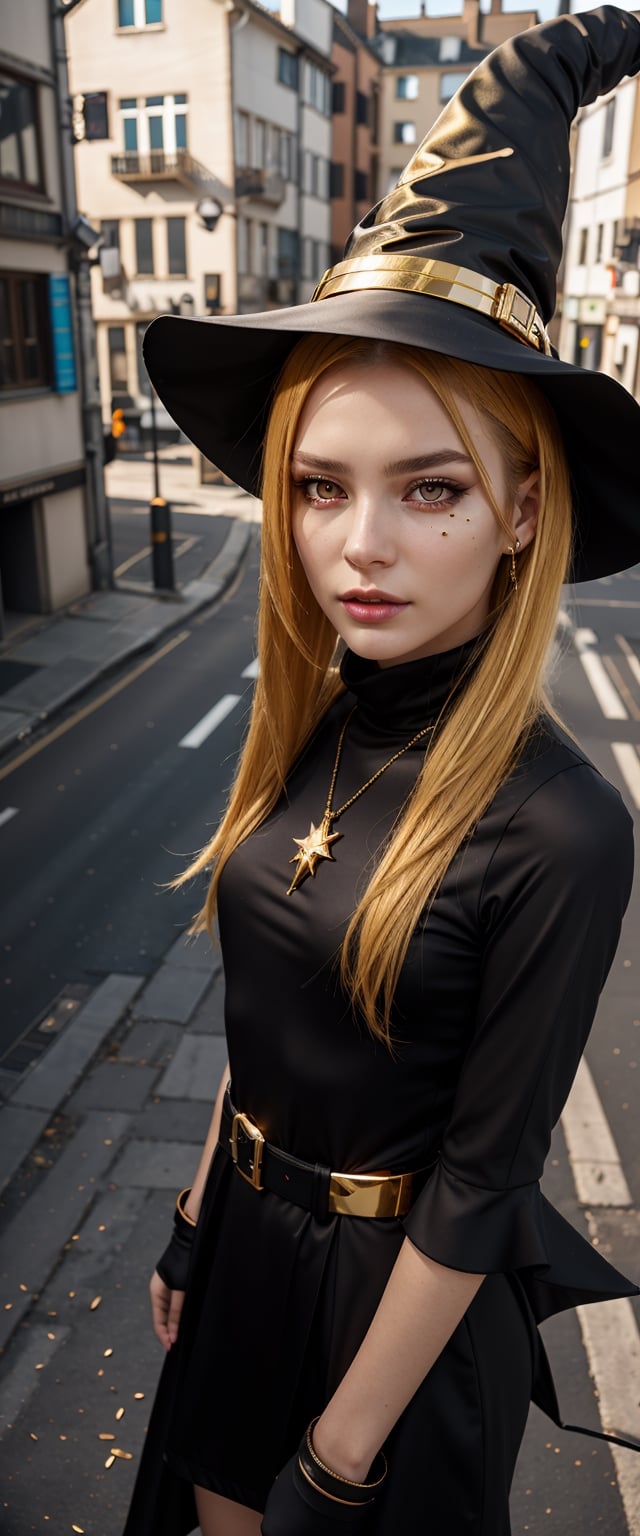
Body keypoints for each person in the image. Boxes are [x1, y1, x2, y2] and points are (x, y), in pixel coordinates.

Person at [123, 9, 640, 1535]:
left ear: (526, 511)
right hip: (241, 1257)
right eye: (319, 486)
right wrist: (192, 1219)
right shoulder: (322, 723)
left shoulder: (562, 823)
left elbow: (482, 1186)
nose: (362, 546)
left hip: (393, 1321)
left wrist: (340, 1465)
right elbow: (277, 1007)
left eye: (430, 490)